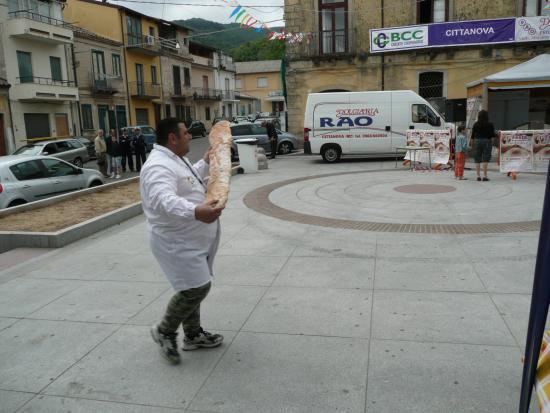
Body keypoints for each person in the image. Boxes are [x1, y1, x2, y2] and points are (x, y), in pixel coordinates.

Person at [140, 117, 224, 364]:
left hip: (191, 239)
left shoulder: (176, 159)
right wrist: (196, 211)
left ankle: (193, 335)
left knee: (191, 286)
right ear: (172, 138)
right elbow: (163, 200)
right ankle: (165, 331)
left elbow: (188, 180)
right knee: (196, 287)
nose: (190, 136)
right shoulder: (157, 166)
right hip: (175, 242)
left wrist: (205, 163)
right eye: (186, 133)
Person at [470, 110, 496, 181]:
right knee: (485, 159)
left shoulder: (476, 124)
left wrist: (472, 145)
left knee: (477, 159)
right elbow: (492, 136)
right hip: (487, 141)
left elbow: (472, 136)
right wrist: (491, 144)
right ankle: (485, 176)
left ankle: (478, 176)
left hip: (477, 141)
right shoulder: (490, 124)